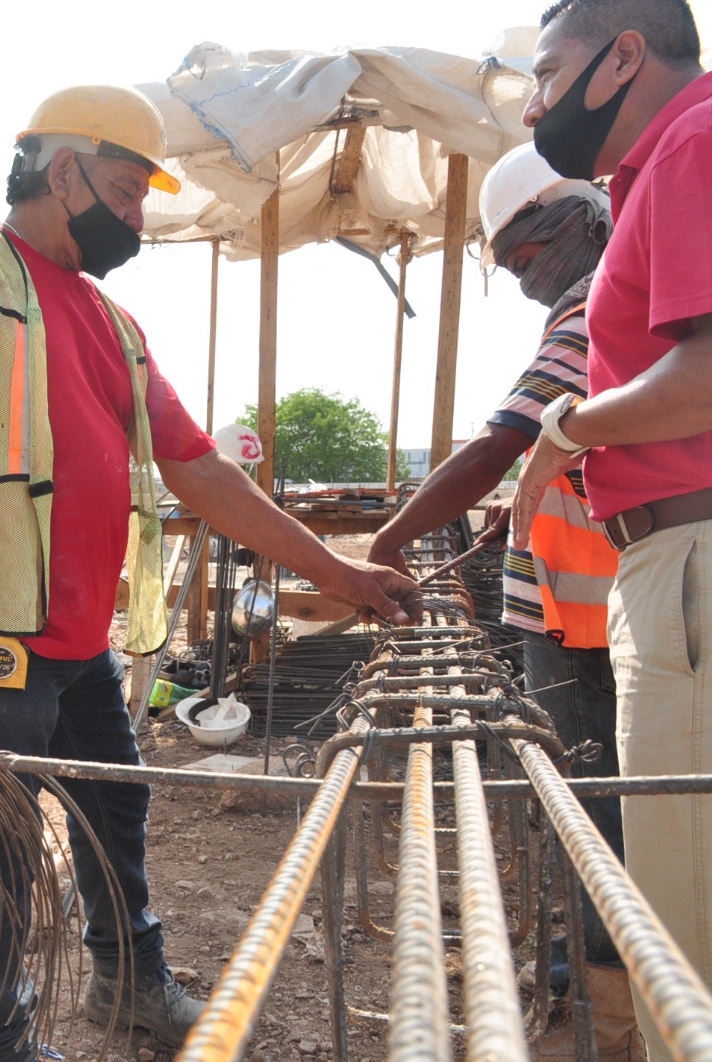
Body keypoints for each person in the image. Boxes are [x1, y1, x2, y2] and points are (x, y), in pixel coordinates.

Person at [0, 84, 419, 1062]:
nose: (135, 220)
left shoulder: (113, 326)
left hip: (76, 645)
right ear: (61, 170)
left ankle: (129, 984)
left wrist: (339, 568)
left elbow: (201, 471)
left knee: (115, 800)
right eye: (123, 193)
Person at [368, 141, 639, 1059]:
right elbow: (561, 449)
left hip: (587, 621)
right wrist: (518, 512)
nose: (524, 276)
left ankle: (606, 1009)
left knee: (595, 807)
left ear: (577, 217)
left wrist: (391, 541)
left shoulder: (593, 301)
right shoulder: (592, 302)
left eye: (527, 254)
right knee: (585, 798)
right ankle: (584, 964)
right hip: (569, 602)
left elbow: (496, 444)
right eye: (510, 263)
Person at [512, 1, 711, 1057]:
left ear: (622, 54)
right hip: (671, 564)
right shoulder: (657, 173)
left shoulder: (692, 142)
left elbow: (705, 379)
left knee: (683, 933)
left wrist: (566, 425)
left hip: (689, 567)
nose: (537, 101)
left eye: (548, 71)